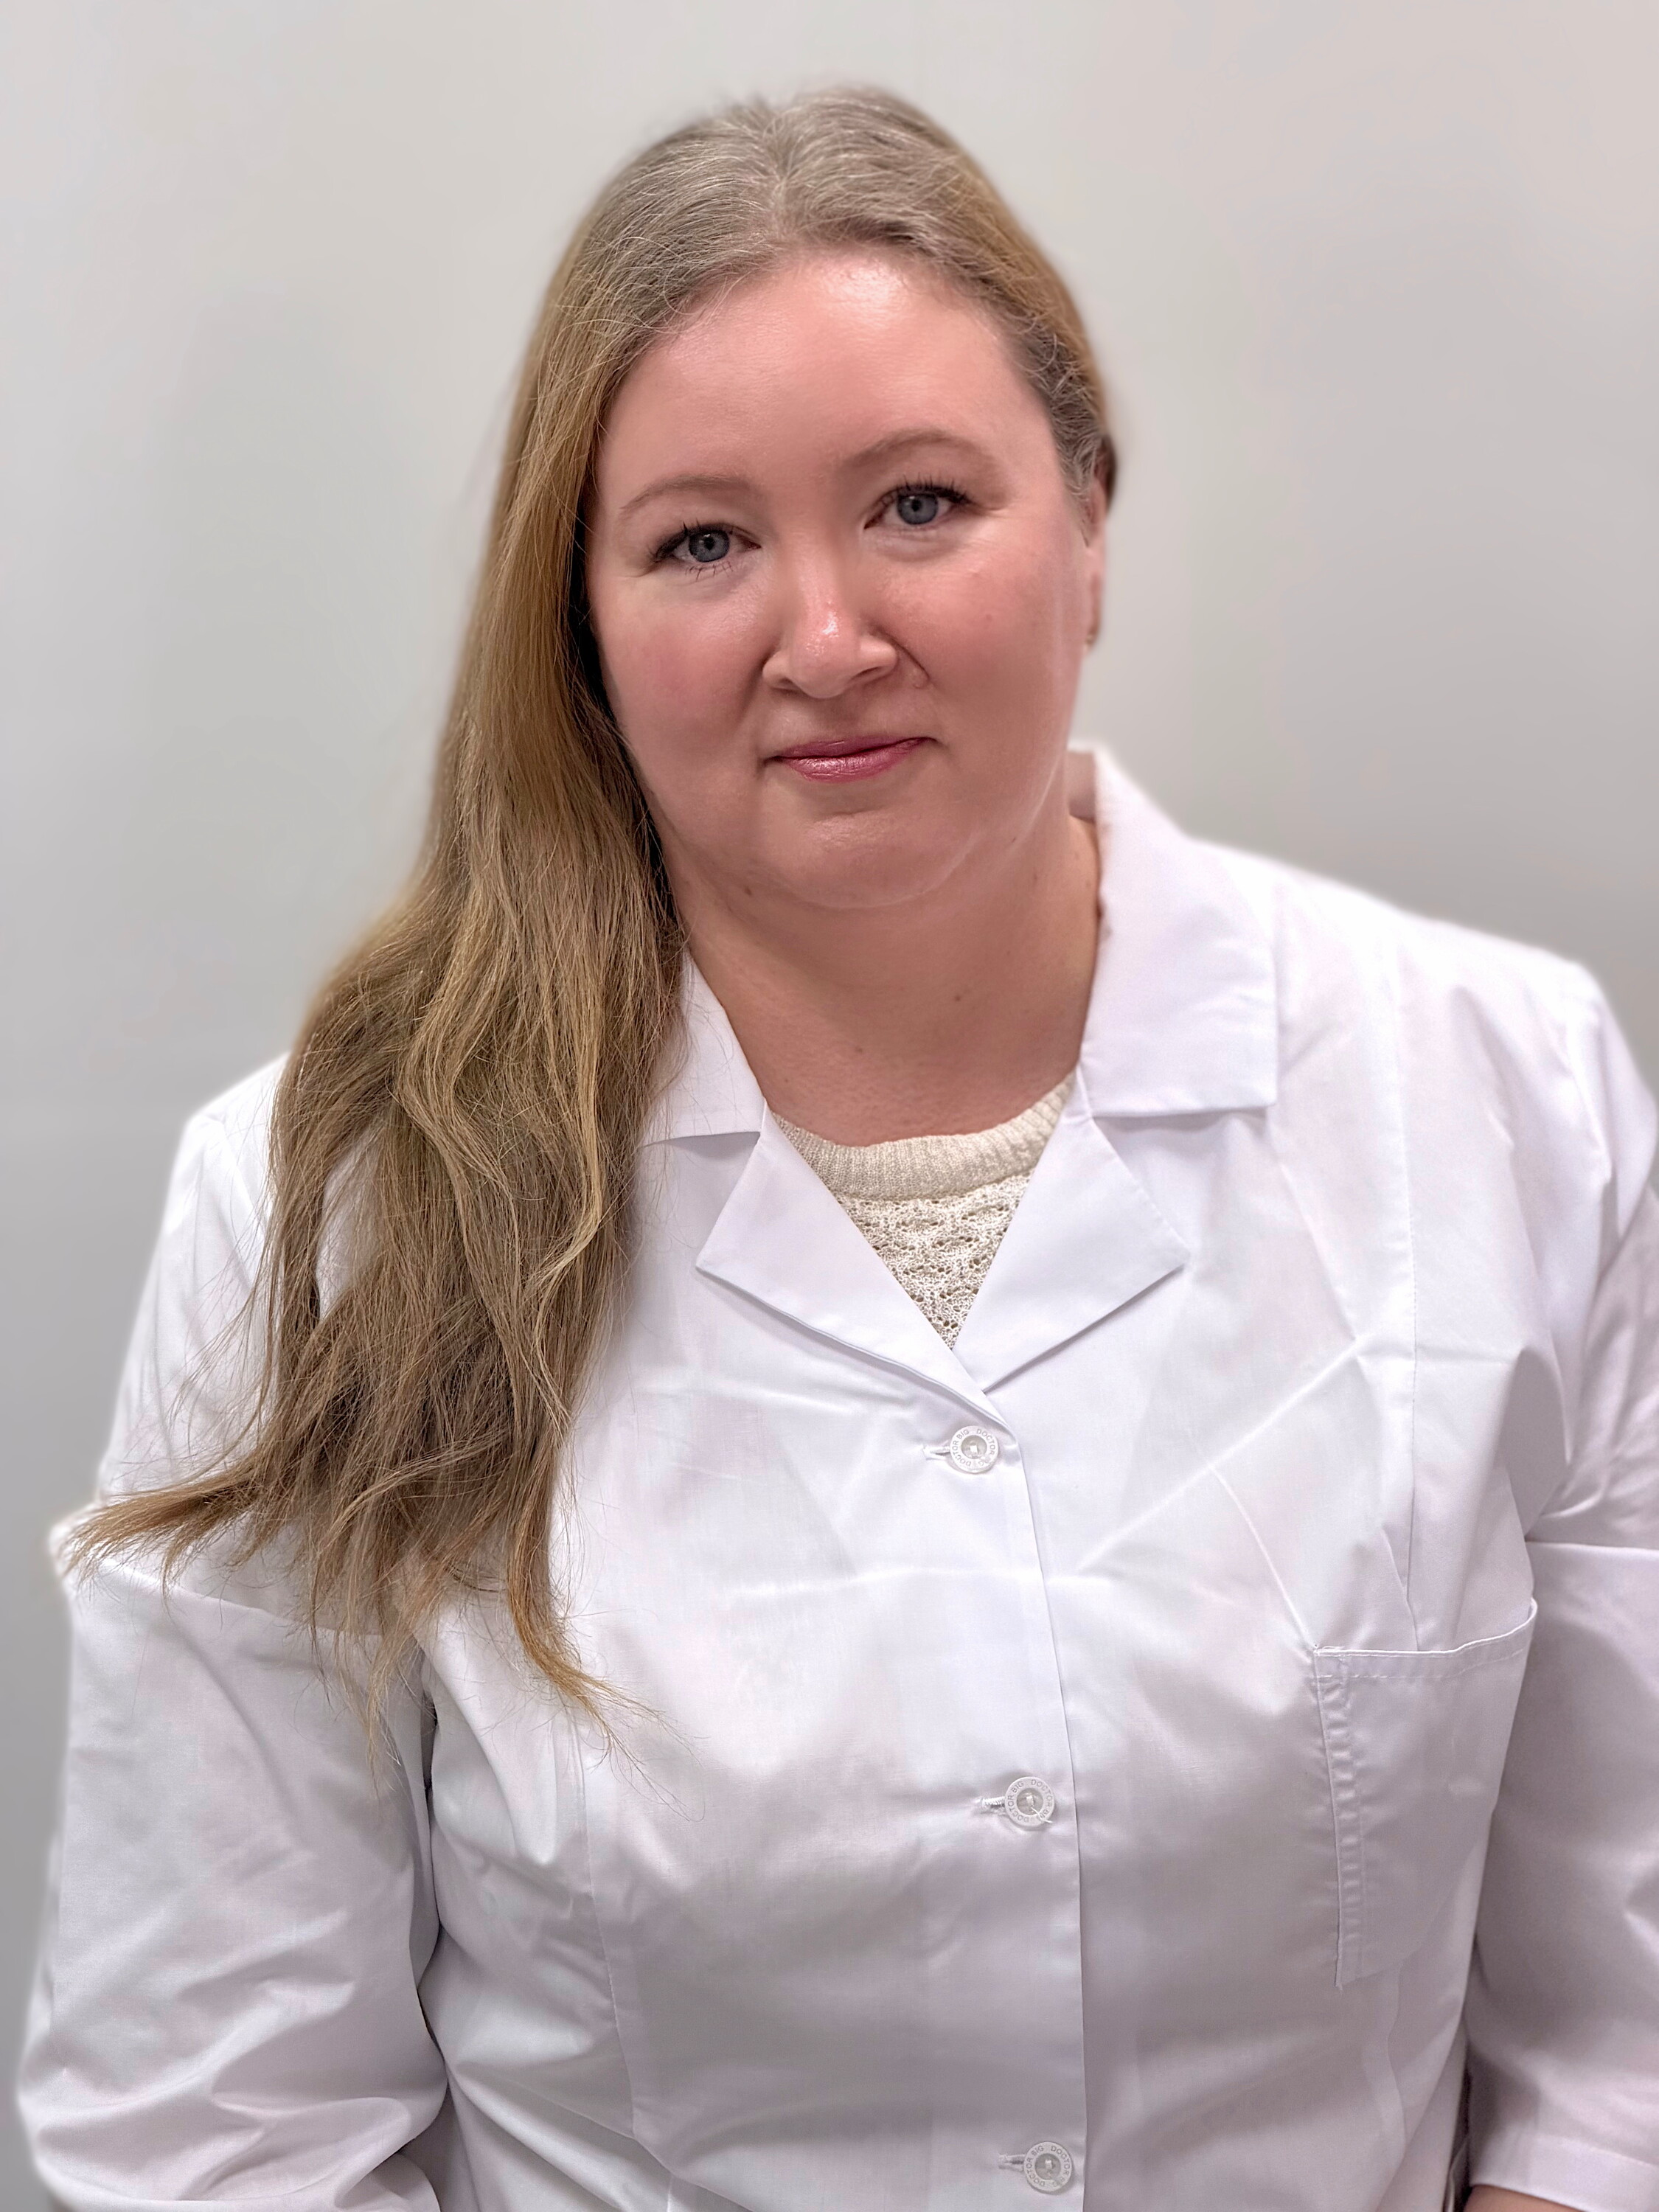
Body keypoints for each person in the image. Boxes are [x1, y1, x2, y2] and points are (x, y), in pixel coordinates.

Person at [18, 86, 1658, 2212]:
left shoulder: (1506, 1092)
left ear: (1087, 520)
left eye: (919, 504)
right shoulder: (332, 1202)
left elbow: (1612, 2041)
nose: (825, 638)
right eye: (701, 542)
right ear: (582, 627)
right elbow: (216, 2125)